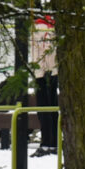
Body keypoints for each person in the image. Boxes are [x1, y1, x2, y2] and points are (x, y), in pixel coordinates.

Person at [30, 14, 58, 156]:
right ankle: (52, 142)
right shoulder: (53, 27)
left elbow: (40, 51)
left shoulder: (38, 28)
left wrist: (39, 71)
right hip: (53, 71)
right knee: (52, 107)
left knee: (43, 109)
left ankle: (47, 143)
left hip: (42, 72)